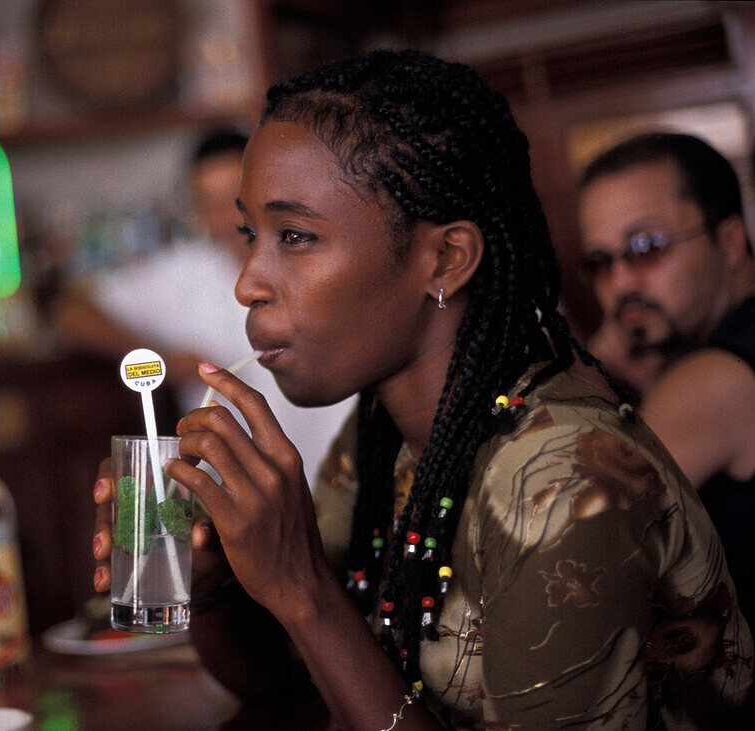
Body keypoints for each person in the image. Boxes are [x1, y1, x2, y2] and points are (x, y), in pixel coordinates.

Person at [87, 51, 753, 727]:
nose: (247, 283)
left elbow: (316, 630)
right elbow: (290, 680)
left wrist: (301, 586)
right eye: (249, 234)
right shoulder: (383, 435)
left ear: (445, 258)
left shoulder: (568, 481)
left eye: (295, 235)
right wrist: (215, 582)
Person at [53, 129, 355, 486]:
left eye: (235, 198)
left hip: (343, 487)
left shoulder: (325, 262)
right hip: (237, 502)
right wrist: (160, 359)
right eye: (209, 204)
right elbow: (68, 312)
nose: (227, 219)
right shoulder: (185, 274)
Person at [577, 132, 755, 627]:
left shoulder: (718, 376)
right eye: (600, 262)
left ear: (730, 239)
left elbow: (573, 541)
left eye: (646, 246)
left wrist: (588, 374)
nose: (620, 284)